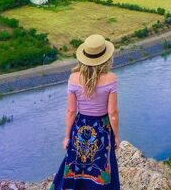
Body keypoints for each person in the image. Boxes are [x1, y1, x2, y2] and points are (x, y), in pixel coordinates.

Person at [51, 34, 120, 190]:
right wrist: (116, 136)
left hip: (80, 128)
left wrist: (67, 136)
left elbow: (71, 111)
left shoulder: (73, 78)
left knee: (77, 166)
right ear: (106, 58)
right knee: (102, 167)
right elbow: (113, 112)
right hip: (102, 129)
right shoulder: (111, 78)